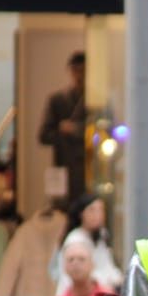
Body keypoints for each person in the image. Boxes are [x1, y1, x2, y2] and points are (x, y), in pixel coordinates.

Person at [52, 192, 123, 296]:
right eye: (92, 210)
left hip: (101, 293)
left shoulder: (101, 235)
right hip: (78, 295)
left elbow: (107, 266)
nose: (97, 215)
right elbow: (73, 275)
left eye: (100, 210)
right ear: (81, 213)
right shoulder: (75, 240)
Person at [38, 52, 87, 201]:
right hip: (63, 169)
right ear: (70, 71)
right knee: (61, 208)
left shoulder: (96, 101)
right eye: (76, 70)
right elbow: (43, 136)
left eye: (83, 71)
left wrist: (77, 130)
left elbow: (105, 132)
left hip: (88, 170)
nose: (79, 75)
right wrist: (61, 131)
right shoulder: (57, 100)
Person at [44, 231, 100, 296]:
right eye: (71, 259)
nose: (75, 263)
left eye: (81, 259)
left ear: (93, 264)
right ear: (64, 266)